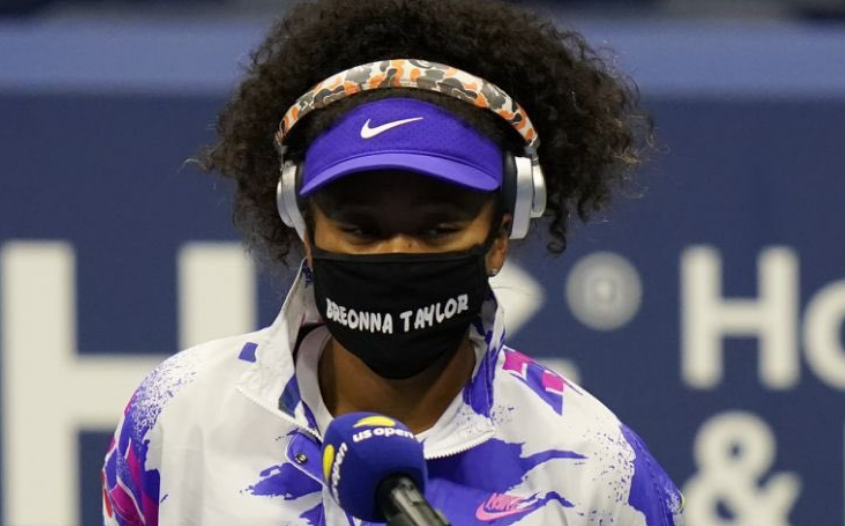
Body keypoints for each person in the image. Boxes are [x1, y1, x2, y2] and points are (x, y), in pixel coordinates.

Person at [102, 0, 684, 524]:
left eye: (437, 229)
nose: (398, 255)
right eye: (361, 229)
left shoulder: (598, 472)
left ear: (501, 233)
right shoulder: (178, 417)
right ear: (305, 230)